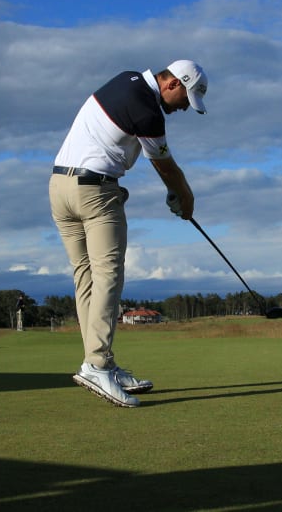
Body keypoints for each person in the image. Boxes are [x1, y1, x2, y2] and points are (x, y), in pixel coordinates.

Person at [49, 60, 208, 407]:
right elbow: (165, 166)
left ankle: (101, 362)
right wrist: (185, 197)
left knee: (86, 277)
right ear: (173, 85)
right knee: (109, 276)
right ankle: (96, 365)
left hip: (60, 187)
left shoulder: (125, 80)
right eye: (185, 99)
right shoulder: (149, 110)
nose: (183, 108)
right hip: (94, 192)